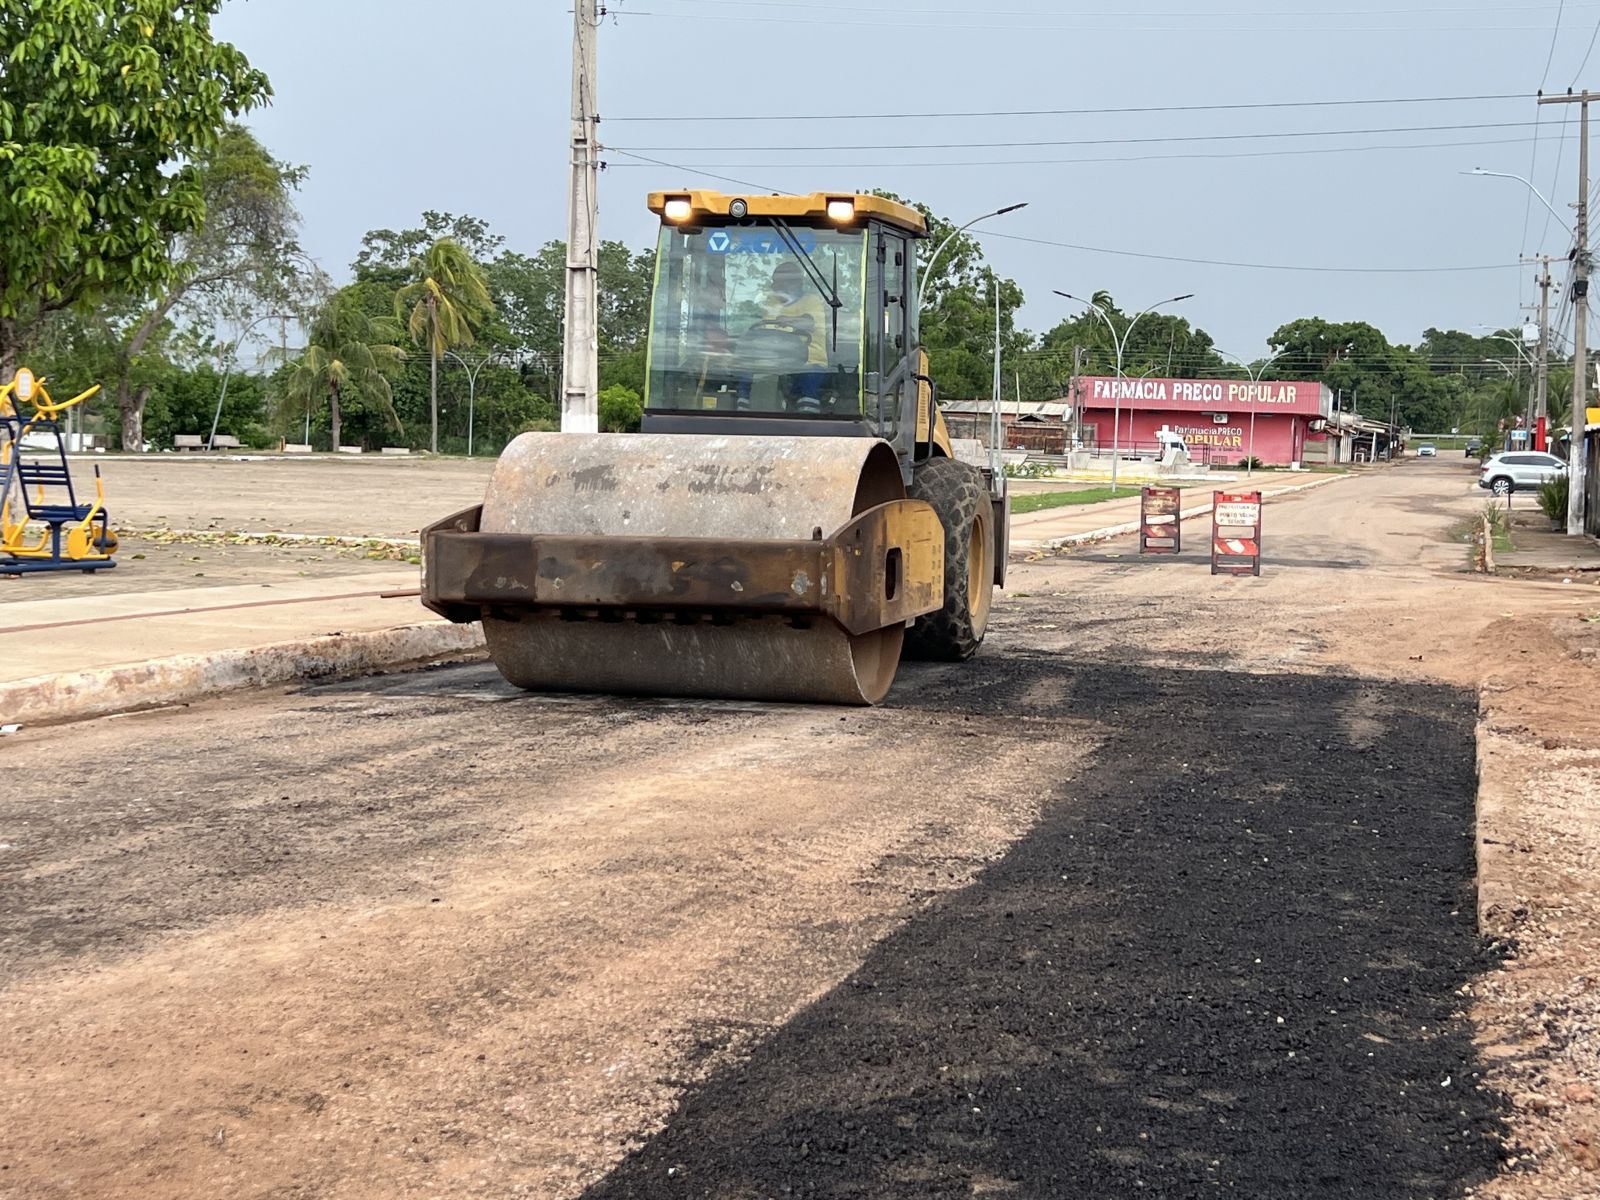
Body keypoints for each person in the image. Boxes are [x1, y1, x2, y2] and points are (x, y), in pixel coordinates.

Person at [738, 259, 829, 413]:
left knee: (810, 380)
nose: (778, 286)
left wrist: (789, 321)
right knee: (744, 370)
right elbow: (765, 331)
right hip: (774, 358)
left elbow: (809, 323)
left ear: (797, 283)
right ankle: (741, 409)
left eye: (784, 282)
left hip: (809, 359)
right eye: (776, 283)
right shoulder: (772, 303)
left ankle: (807, 421)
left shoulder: (812, 301)